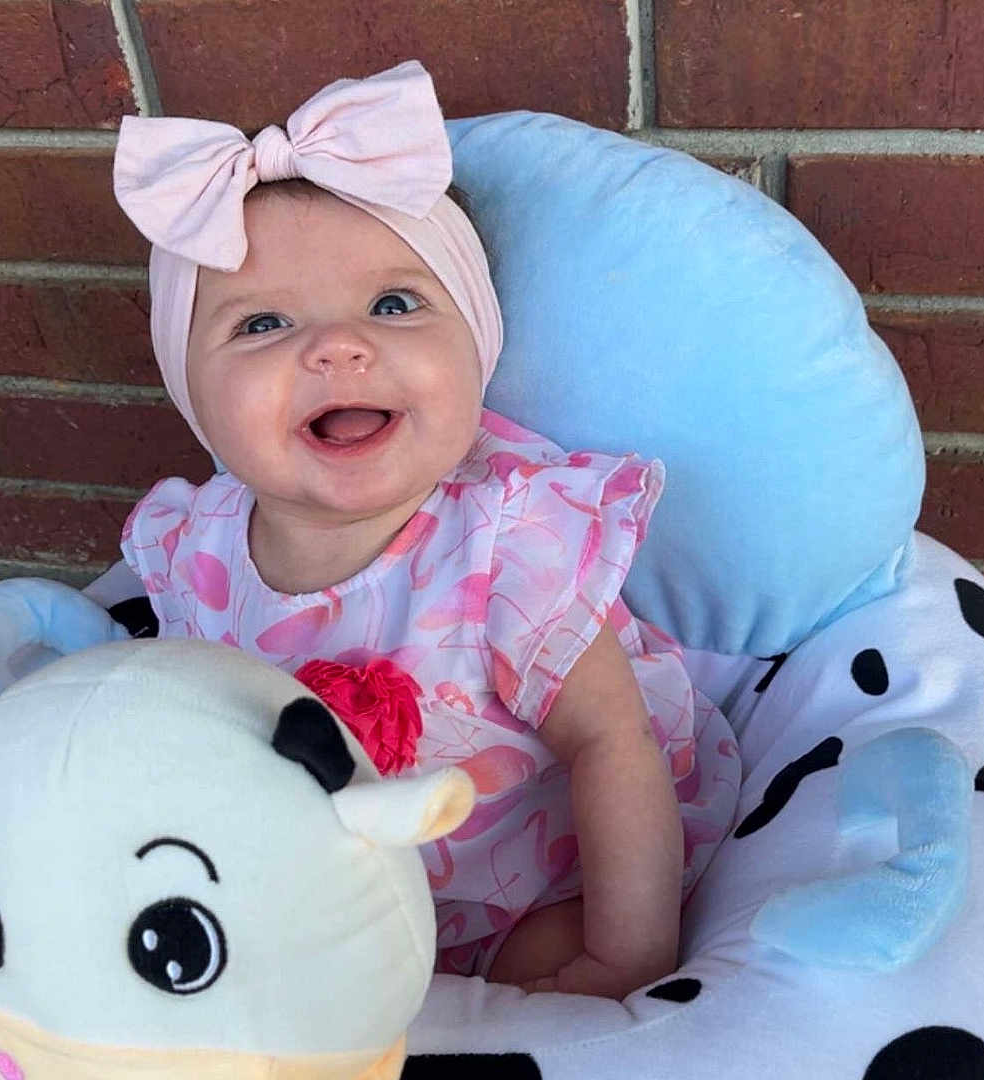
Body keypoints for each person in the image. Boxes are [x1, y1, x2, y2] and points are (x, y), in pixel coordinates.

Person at [112, 60, 740, 1001]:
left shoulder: (501, 549)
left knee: (539, 986)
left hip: (537, 883)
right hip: (342, 893)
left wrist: (625, 953)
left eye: (394, 305)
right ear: (194, 399)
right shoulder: (192, 552)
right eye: (264, 323)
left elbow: (612, 744)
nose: (336, 344)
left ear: (475, 351)